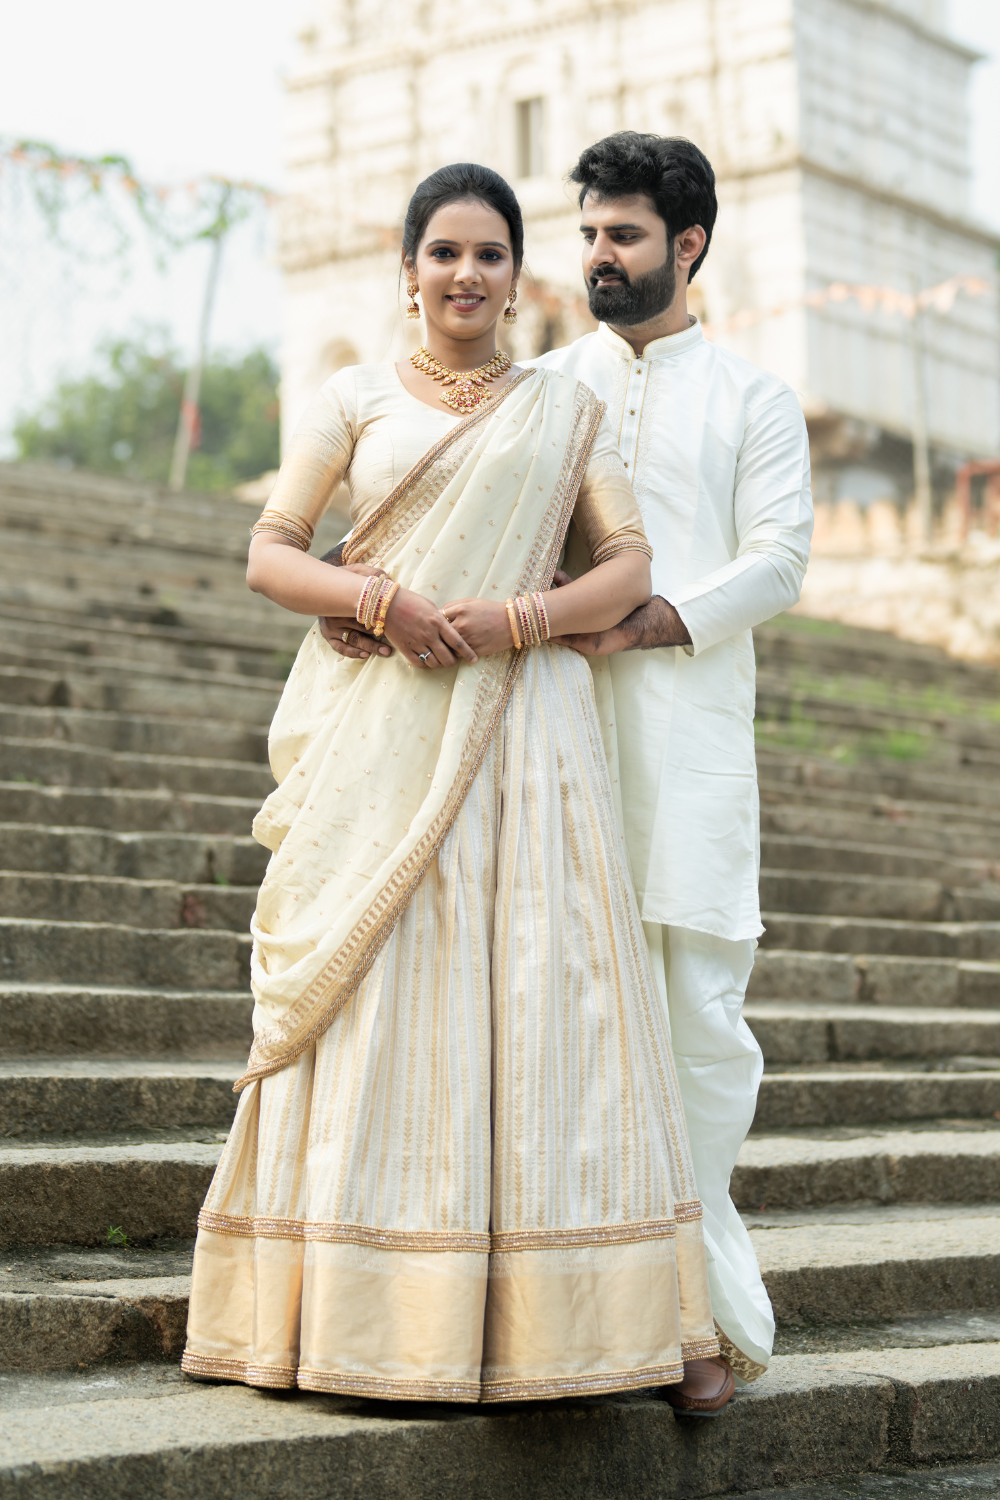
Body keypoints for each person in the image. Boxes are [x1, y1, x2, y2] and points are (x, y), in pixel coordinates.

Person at [182, 163, 725, 1407]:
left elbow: (628, 566)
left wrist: (520, 619)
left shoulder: (562, 409)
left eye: (490, 255)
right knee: (382, 1001)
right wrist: (377, 599)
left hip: (529, 740)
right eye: (445, 253)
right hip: (383, 736)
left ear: (516, 276)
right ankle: (365, 1320)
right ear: (409, 269)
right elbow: (271, 554)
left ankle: (610, 1324)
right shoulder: (355, 399)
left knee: (559, 1003)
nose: (466, 275)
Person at [328, 136, 814, 1412]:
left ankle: (704, 1315)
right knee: (556, 1033)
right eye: (589, 232)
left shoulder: (753, 399)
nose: (597, 255)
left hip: (685, 747)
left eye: (624, 235)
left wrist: (647, 622)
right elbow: (444, 534)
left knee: (697, 1035)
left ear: (687, 245)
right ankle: (572, 1324)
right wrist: (364, 608)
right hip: (539, 748)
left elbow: (778, 561)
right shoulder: (540, 389)